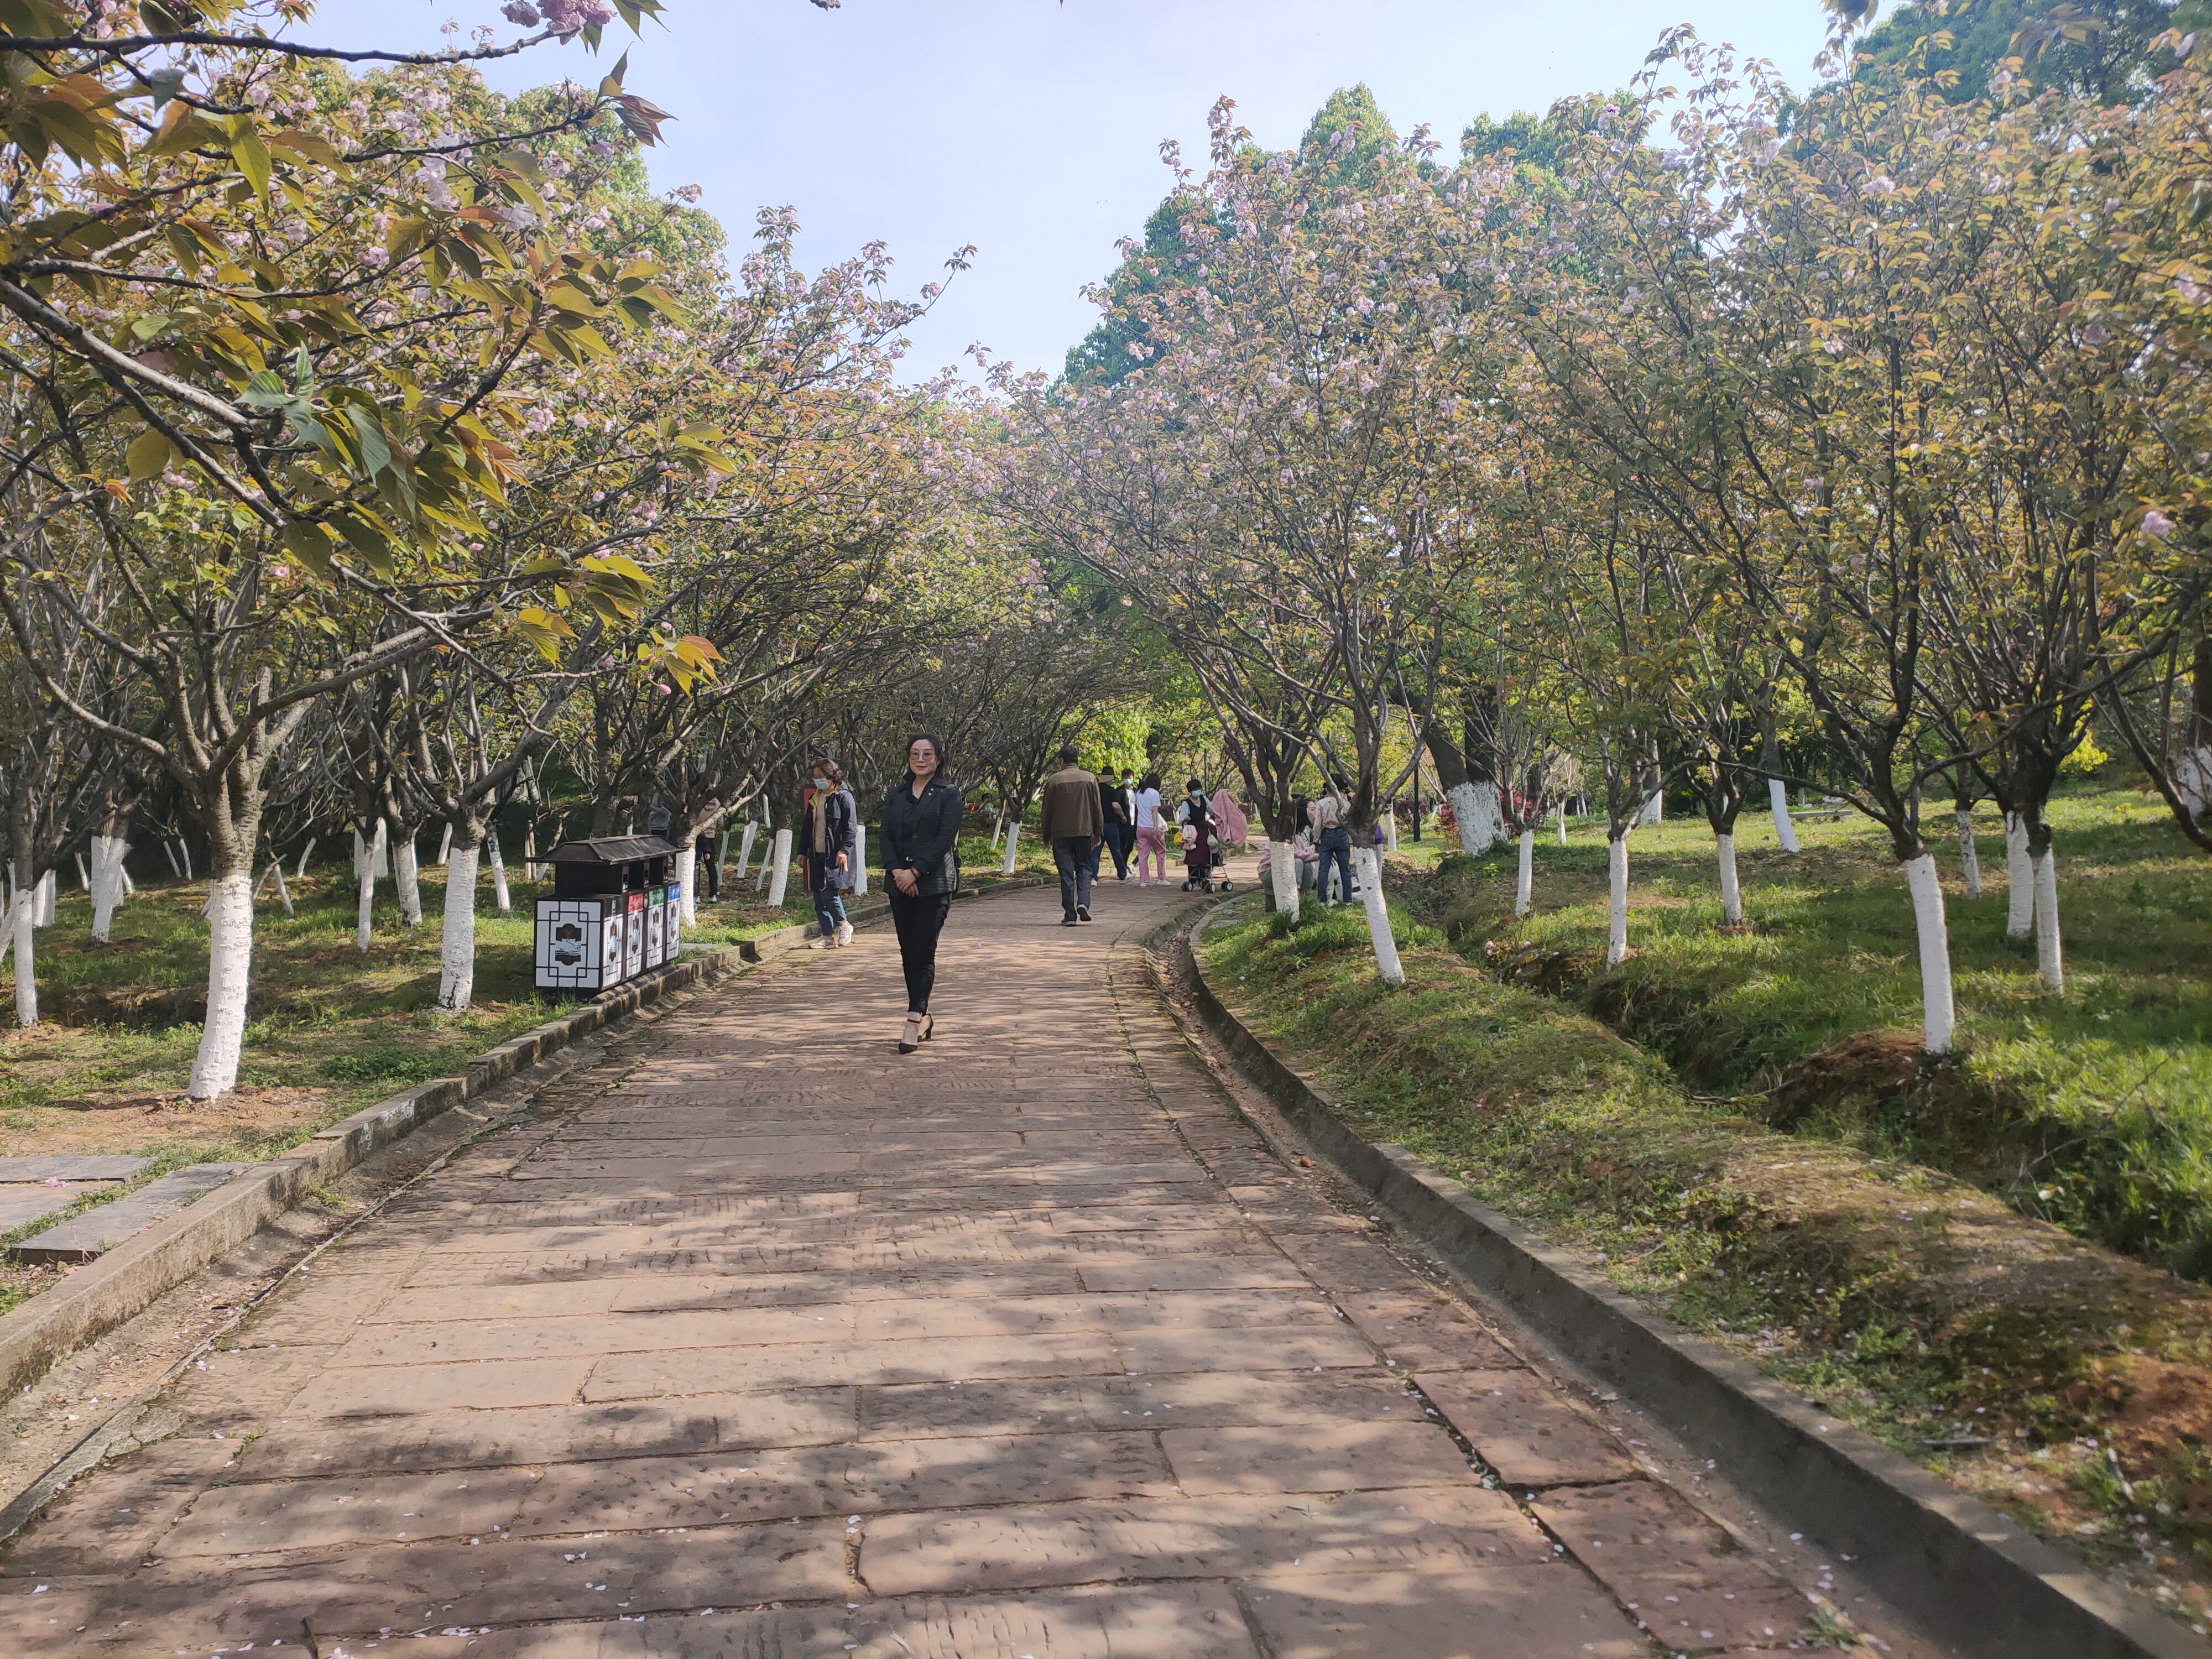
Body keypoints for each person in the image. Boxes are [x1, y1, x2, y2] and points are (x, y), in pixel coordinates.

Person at [880, 733, 963, 1052]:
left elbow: (945, 838)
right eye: (915, 753)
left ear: (938, 758)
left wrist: (916, 871)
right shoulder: (897, 794)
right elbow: (885, 834)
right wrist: (897, 871)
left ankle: (914, 1019)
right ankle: (924, 1015)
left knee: (923, 950)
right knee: (907, 952)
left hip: (934, 884)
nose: (921, 759)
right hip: (899, 883)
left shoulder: (948, 794)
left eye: (927, 754)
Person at [1039, 744, 1104, 926]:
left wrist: (1046, 834)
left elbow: (1047, 811)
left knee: (1066, 873)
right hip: (1084, 832)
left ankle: (1070, 915)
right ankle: (1083, 902)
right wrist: (1098, 832)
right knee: (1084, 868)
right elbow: (1097, 809)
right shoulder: (1090, 779)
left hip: (1061, 835)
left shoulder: (1054, 780)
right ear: (1077, 761)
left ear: (1061, 761)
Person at [802, 762, 856, 948]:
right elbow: (807, 828)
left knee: (829, 894)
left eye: (821, 776)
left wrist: (844, 850)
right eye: (815, 777)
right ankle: (827, 936)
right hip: (816, 855)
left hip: (834, 856)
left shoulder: (843, 798)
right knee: (818, 897)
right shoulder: (815, 799)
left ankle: (844, 925)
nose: (817, 780)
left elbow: (851, 828)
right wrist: (803, 852)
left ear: (832, 776)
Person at [1312, 776, 1353, 905]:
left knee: (1323, 869)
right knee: (1345, 869)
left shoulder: (1322, 803)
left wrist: (1316, 840)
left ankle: (1322, 900)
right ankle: (1348, 900)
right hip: (1342, 833)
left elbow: (1317, 824)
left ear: (1328, 788)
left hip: (1326, 834)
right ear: (1341, 789)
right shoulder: (1346, 804)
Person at [1133, 771, 1167, 885]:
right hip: (1152, 827)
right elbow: (1154, 810)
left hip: (1141, 827)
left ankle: (1144, 881)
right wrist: (1156, 826)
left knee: (1143, 855)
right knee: (1160, 852)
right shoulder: (1155, 793)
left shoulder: (1139, 793)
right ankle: (1161, 878)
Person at [1107, 766, 1136, 880]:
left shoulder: (1135, 792)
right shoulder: (1119, 791)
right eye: (1125, 778)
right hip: (1123, 823)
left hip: (1133, 823)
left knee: (1129, 847)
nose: (1128, 780)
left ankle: (1124, 866)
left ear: (1133, 778)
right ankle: (1122, 869)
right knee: (1122, 846)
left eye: (1129, 777)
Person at [696, 796, 722, 902]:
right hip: (711, 837)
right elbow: (721, 822)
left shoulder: (698, 802)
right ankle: (713, 895)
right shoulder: (718, 803)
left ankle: (695, 895)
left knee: (696, 865)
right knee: (711, 866)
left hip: (697, 836)